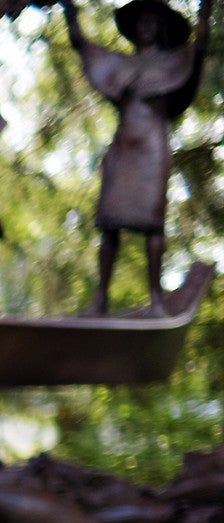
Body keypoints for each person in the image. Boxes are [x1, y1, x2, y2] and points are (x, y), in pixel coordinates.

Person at [62, 0, 214, 314]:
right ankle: (100, 297)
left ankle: (156, 297)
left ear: (161, 28)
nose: (146, 28)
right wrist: (68, 8)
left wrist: (206, 9)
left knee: (153, 225)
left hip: (152, 147)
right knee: (109, 224)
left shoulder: (173, 62)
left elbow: (199, 45)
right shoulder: (120, 65)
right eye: (141, 23)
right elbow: (81, 43)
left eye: (152, 22)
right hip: (124, 145)